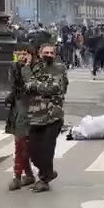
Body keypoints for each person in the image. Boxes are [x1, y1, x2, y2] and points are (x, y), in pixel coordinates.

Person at [21, 42, 68, 192]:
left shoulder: (59, 68)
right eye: (45, 52)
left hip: (53, 115)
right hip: (35, 116)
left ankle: (44, 179)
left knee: (47, 150)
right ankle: (48, 172)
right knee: (33, 151)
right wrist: (26, 68)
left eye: (51, 53)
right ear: (39, 54)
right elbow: (25, 87)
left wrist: (33, 83)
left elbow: (52, 88)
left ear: (55, 55)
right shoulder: (32, 67)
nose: (48, 55)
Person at [4, 44, 37, 190]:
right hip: (19, 109)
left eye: (25, 54)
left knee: (24, 144)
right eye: (18, 54)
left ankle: (21, 175)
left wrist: (26, 67)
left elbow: (32, 86)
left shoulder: (35, 68)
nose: (22, 57)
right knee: (21, 143)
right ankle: (24, 175)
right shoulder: (15, 68)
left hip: (32, 110)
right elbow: (15, 87)